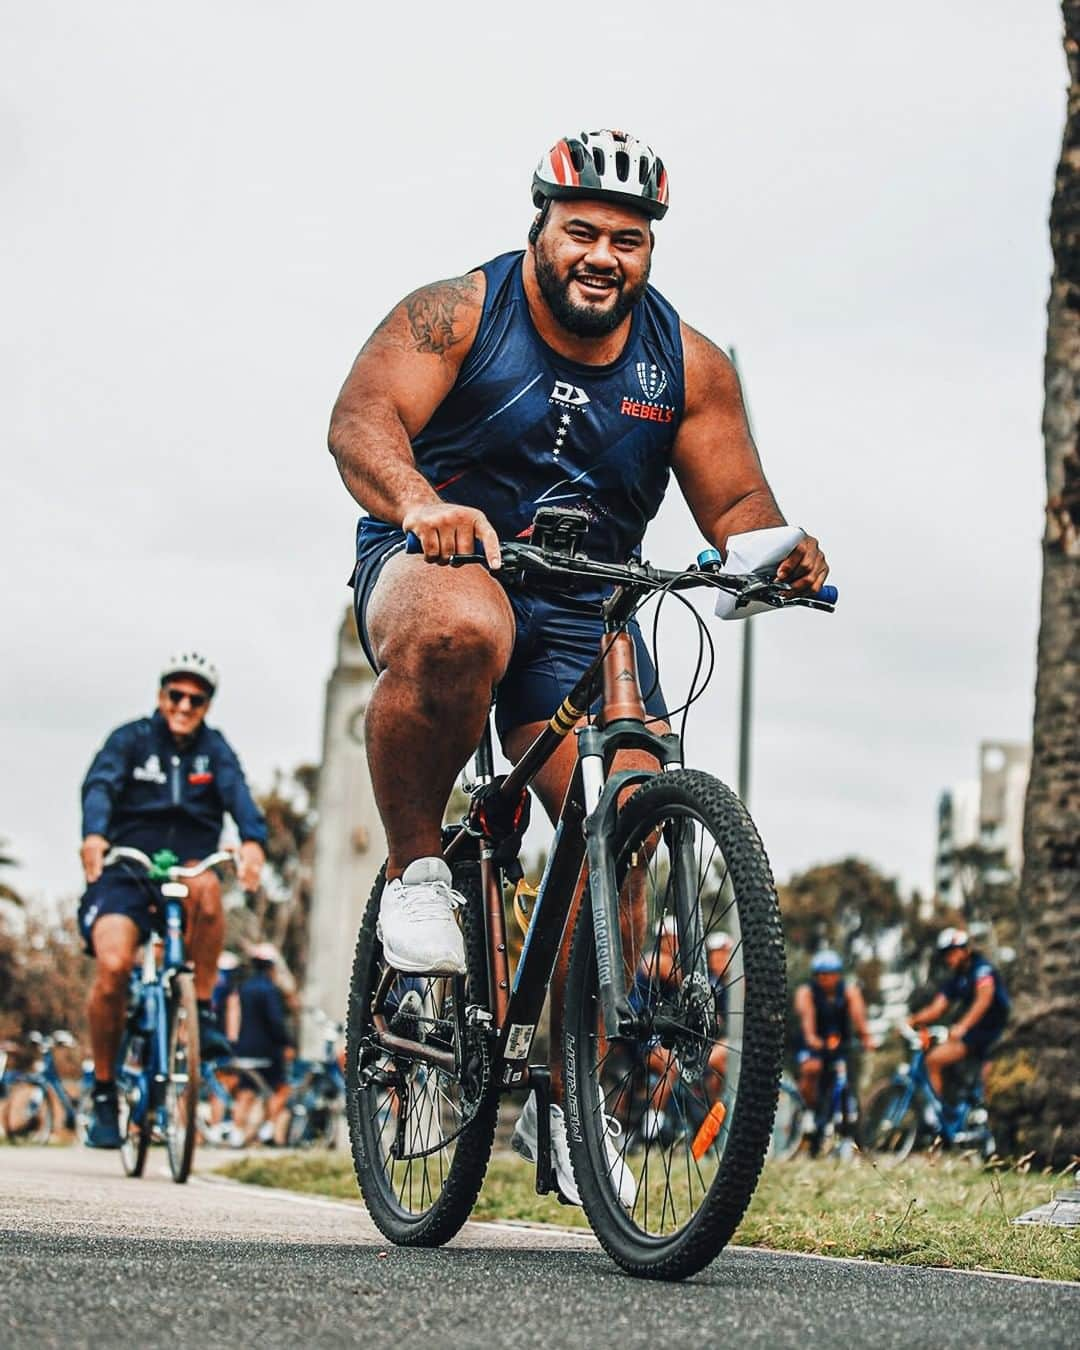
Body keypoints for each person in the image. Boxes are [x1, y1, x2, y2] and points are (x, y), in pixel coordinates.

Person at [327, 128, 829, 1203]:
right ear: (542, 227)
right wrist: (421, 505)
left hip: (587, 603)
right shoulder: (462, 309)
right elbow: (363, 420)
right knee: (464, 632)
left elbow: (737, 505)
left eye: (629, 239)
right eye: (584, 230)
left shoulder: (686, 363)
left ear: (650, 250)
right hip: (446, 561)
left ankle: (567, 1099)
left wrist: (775, 553)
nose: (605, 254)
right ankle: (422, 873)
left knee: (632, 822)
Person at [77, 652, 267, 1147]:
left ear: (207, 705)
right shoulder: (130, 740)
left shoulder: (215, 749)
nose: (184, 705)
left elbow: (239, 795)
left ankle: (200, 1009)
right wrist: (95, 835)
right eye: (175, 695)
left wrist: (252, 841)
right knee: (114, 967)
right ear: (161, 697)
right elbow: (99, 786)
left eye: (195, 698)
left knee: (206, 886)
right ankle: (102, 1090)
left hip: (188, 867)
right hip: (126, 867)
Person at [908, 927, 1010, 1106]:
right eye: (946, 955)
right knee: (932, 1060)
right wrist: (913, 1020)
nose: (949, 959)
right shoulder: (955, 979)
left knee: (990, 1079)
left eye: (952, 953)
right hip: (974, 1034)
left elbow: (983, 999)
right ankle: (938, 1112)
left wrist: (963, 1026)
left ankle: (988, 1114)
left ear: (965, 950)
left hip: (997, 1033)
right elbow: (937, 1008)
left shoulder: (982, 969)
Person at [792, 949, 875, 1132]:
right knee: (811, 1068)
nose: (826, 979)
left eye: (830, 975)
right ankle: (807, 1110)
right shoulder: (807, 992)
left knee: (847, 1076)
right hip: (814, 1044)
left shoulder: (848, 991)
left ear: (838, 975)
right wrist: (812, 1039)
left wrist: (866, 1036)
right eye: (821, 975)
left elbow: (858, 1014)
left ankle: (848, 1116)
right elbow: (807, 1018)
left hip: (840, 1044)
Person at [228, 943, 295, 1147]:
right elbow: (275, 1021)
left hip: (245, 1047)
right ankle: (268, 1128)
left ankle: (237, 1132)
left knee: (246, 1091)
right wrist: (286, 1042)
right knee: (277, 1089)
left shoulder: (244, 988)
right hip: (268, 1049)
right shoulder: (270, 989)